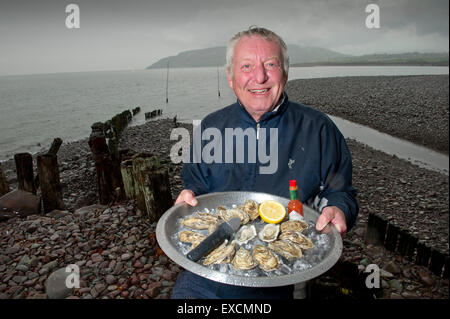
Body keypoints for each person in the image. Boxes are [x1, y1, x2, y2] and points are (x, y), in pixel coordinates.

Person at [171, 26, 358, 299]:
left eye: (270, 64)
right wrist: (188, 199)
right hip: (208, 273)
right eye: (246, 66)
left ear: (285, 72)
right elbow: (196, 187)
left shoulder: (318, 129)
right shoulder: (211, 127)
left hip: (284, 275)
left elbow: (341, 193)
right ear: (231, 77)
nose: (259, 77)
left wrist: (339, 209)